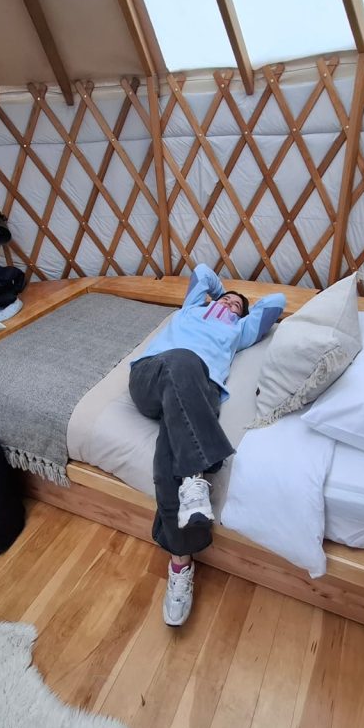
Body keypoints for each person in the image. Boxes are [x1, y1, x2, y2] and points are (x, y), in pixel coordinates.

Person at [129, 264, 285, 626]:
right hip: (152, 374)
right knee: (184, 360)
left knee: (171, 447)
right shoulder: (192, 308)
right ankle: (198, 475)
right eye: (226, 299)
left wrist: (241, 308)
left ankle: (180, 564)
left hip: (200, 392)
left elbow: (276, 302)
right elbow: (202, 272)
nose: (230, 303)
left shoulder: (240, 330)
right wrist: (219, 294)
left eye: (237, 305)